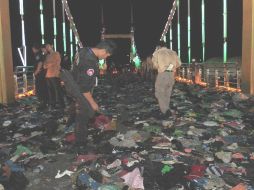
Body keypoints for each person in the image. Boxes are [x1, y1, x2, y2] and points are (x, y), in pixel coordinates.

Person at [68, 39, 117, 149]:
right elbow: (84, 88)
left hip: (74, 86)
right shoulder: (89, 62)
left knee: (83, 112)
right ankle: (80, 143)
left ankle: (78, 132)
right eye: (107, 55)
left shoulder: (83, 51)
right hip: (80, 90)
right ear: (104, 50)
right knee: (83, 115)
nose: (106, 57)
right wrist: (92, 102)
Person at [152, 41, 182, 119]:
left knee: (159, 93)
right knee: (167, 93)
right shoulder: (173, 52)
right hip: (171, 74)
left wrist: (162, 67)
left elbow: (155, 66)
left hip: (162, 74)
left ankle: (165, 111)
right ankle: (167, 109)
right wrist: (170, 67)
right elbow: (179, 63)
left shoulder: (157, 53)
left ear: (159, 46)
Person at [43, 44, 65, 110]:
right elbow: (44, 66)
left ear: (52, 46)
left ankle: (61, 104)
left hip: (55, 74)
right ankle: (53, 104)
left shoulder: (56, 53)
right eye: (46, 47)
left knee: (58, 90)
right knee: (51, 91)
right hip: (48, 75)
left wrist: (48, 64)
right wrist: (50, 64)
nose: (47, 48)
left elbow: (57, 63)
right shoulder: (47, 56)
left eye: (48, 46)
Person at [32, 43, 47, 109]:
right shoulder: (41, 54)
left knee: (40, 87)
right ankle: (44, 102)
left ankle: (42, 103)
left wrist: (36, 71)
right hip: (42, 74)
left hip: (39, 74)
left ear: (34, 48)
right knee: (42, 87)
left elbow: (40, 62)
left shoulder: (37, 55)